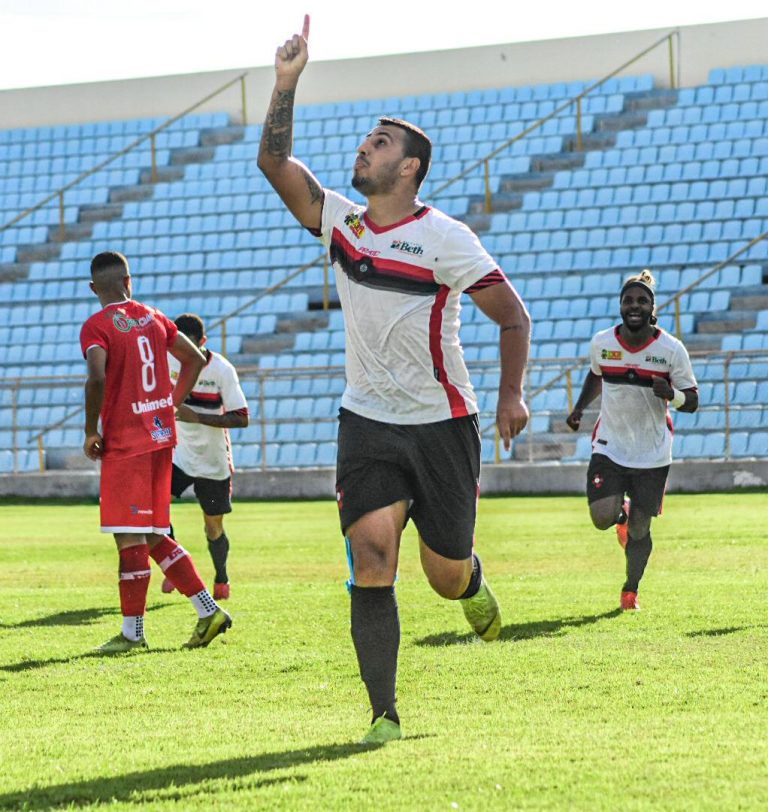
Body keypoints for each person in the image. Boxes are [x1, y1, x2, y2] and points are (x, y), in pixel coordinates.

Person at [257, 16, 531, 744]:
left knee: (441, 573)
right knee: (373, 557)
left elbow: (513, 317)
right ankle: (383, 714)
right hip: (367, 422)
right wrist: (285, 84)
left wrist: (510, 394)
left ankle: (472, 583)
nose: (363, 147)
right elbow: (276, 165)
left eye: (379, 143)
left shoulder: (446, 239)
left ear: (409, 168)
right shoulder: (341, 224)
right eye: (364, 140)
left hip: (443, 423)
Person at [80, 251, 233, 653]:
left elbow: (96, 376)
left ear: (94, 288)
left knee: (130, 537)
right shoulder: (153, 316)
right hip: (160, 438)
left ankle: (133, 635)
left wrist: (89, 429)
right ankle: (207, 610)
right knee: (150, 534)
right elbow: (196, 359)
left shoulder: (97, 325)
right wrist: (169, 402)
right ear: (129, 282)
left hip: (126, 443)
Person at [566, 270, 698, 611]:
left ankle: (630, 591)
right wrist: (580, 408)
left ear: (652, 307)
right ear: (620, 305)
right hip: (610, 446)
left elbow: (693, 400)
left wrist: (673, 394)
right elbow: (596, 376)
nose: (634, 305)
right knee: (600, 517)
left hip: (652, 454)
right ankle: (619, 516)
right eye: (628, 300)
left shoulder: (671, 350)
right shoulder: (603, 343)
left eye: (642, 300)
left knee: (641, 530)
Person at [161, 313, 250, 601]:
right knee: (155, 512)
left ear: (203, 342)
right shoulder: (166, 359)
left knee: (213, 527)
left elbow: (242, 419)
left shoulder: (222, 370)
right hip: (177, 454)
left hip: (213, 460)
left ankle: (221, 578)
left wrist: (196, 416)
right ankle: (175, 569)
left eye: (191, 346)